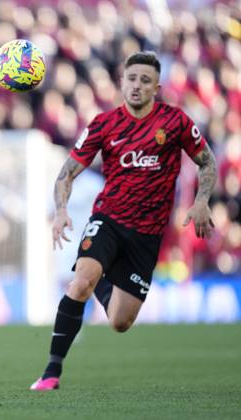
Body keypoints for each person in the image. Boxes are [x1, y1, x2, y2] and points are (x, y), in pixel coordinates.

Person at [30, 51, 217, 390]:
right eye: (131, 79)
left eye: (145, 81)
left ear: (156, 87)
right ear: (122, 82)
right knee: (80, 281)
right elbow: (67, 173)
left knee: (119, 321)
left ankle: (103, 278)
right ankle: (51, 371)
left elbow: (207, 162)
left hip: (147, 233)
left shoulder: (175, 122)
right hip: (108, 219)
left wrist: (202, 201)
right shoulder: (104, 124)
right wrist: (60, 210)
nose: (137, 86)